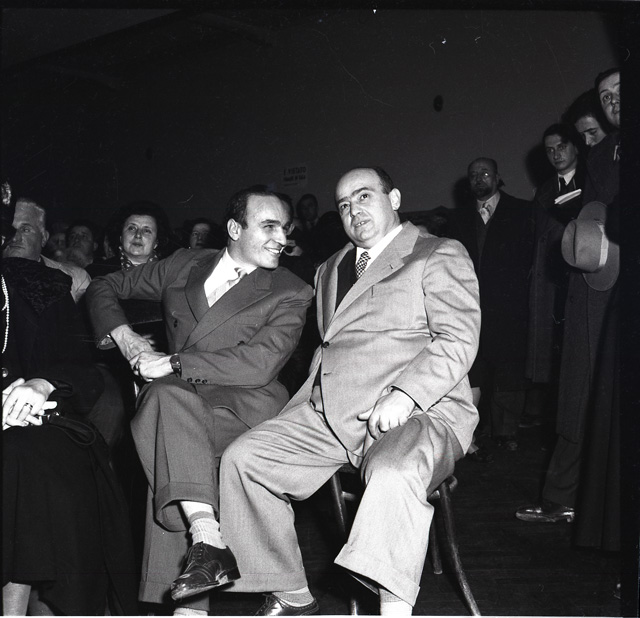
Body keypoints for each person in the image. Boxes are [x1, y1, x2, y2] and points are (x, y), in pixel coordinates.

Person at [217, 167, 480, 616]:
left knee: (393, 472)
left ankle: (392, 609)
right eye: (343, 204)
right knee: (244, 459)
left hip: (421, 412)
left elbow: (458, 338)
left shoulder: (437, 253)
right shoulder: (329, 269)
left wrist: (406, 394)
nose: (353, 210)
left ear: (394, 198)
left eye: (363, 196)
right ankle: (289, 591)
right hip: (332, 414)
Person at [85, 186, 313, 614]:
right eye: (269, 227)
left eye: (285, 228)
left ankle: (193, 595)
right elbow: (103, 285)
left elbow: (259, 363)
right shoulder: (185, 264)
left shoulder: (290, 289)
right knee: (171, 417)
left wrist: (173, 362)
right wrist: (126, 338)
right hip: (180, 402)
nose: (282, 238)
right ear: (234, 229)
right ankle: (206, 547)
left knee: (166, 421)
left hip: (244, 405)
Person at [2, 212, 138, 614]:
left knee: (29, 457)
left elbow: (82, 368)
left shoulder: (38, 286)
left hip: (43, 421)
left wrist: (42, 383)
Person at [516, 68, 619, 530]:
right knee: (578, 393)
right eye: (605, 97)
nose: (589, 142)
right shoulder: (598, 165)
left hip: (609, 287)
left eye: (590, 135)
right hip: (589, 289)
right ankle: (563, 497)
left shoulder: (606, 162)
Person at [448, 158, 535, 452]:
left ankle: (506, 432)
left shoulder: (522, 211)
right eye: (473, 174)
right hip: (470, 307)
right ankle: (475, 431)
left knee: (509, 368)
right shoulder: (457, 219)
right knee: (475, 369)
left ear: (498, 177)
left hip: (511, 307)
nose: (479, 178)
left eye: (484, 173)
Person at [524, 124, 585, 427]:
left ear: (575, 147)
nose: (556, 154)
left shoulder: (592, 181)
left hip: (582, 278)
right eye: (549, 150)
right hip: (551, 283)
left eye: (561, 146)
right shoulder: (545, 191)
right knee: (552, 353)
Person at [3, 198, 91, 303]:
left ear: (44, 238)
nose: (14, 238)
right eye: (9, 230)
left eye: (25, 230)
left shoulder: (76, 279)